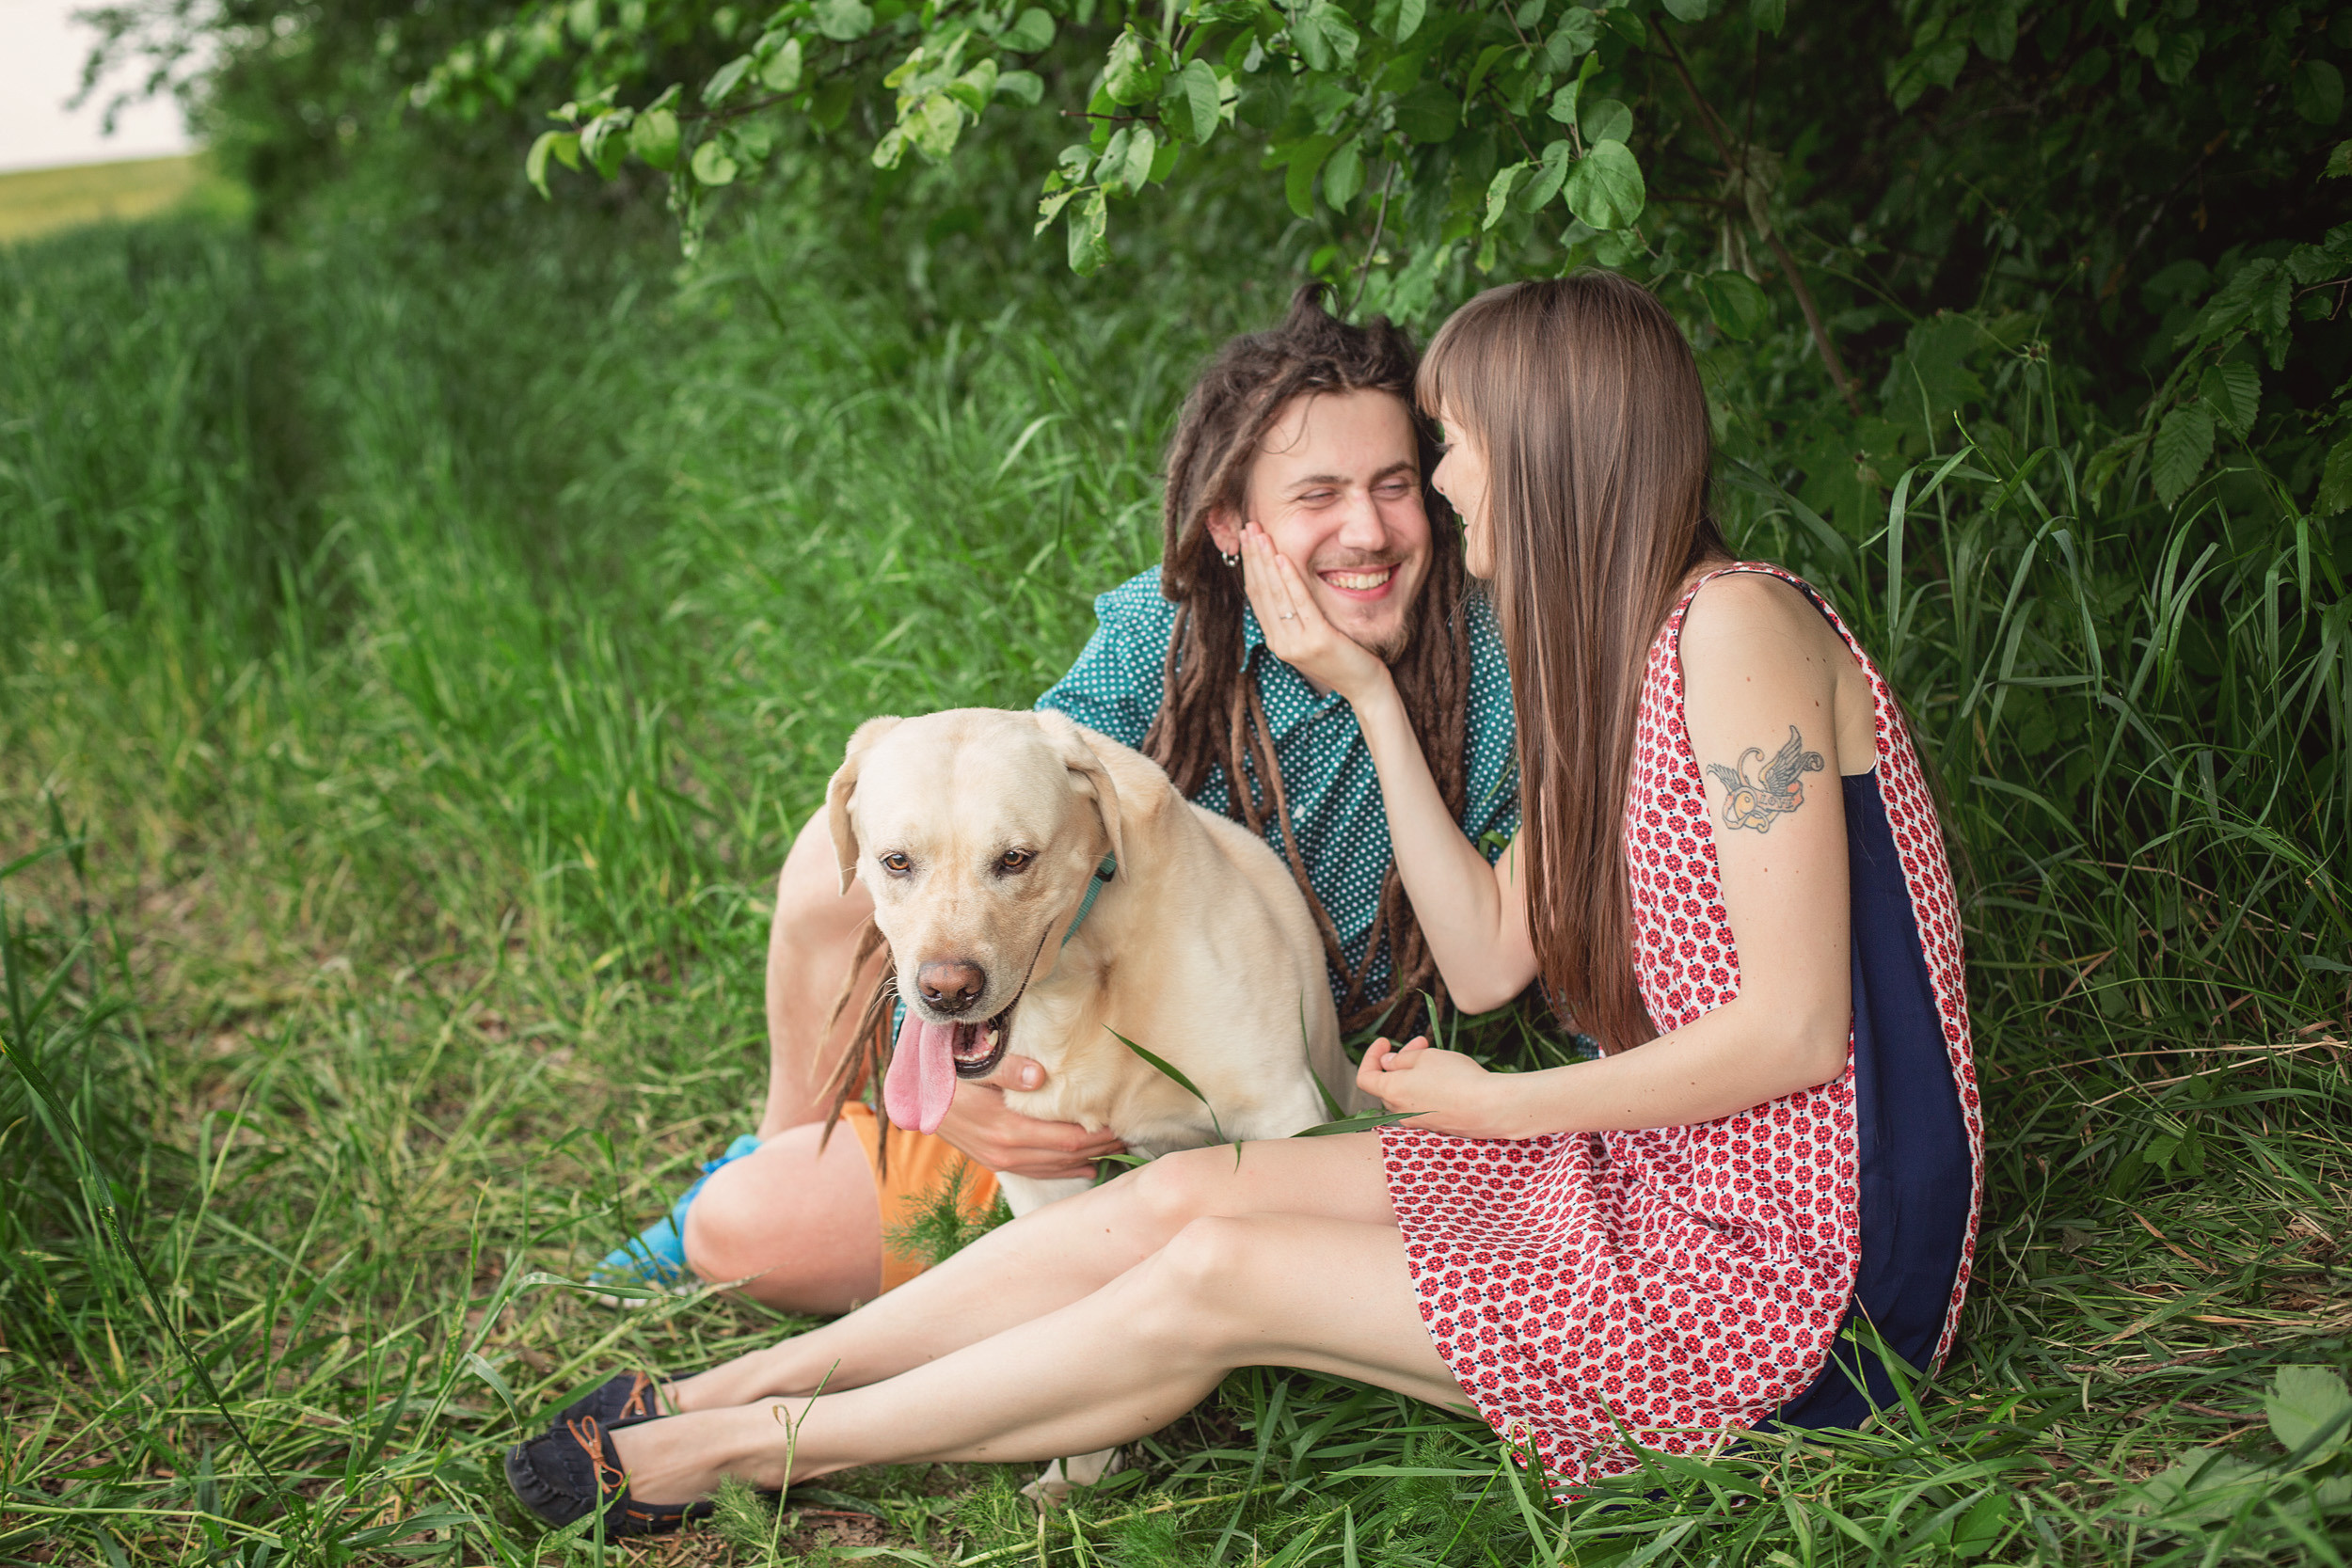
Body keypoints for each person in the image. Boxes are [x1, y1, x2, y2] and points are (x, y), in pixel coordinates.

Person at [506, 272, 1982, 1536]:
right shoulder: (1617, 670)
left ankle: (717, 1455)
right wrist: (1363, 695)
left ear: (1550, 455)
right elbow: (1482, 954)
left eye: (1443, 453)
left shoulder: (1736, 625)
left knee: (1213, 1262)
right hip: (1650, 1175)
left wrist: (1502, 1107)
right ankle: (713, 1386)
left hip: (1793, 1280)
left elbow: (1793, 1030)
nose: (1439, 493)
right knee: (1176, 1196)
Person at [597, 286, 1521, 1314]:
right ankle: (787, 1138)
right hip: (1071, 1069)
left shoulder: (1494, 668)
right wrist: (964, 1103)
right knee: (758, 1183)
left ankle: (1023, 1264)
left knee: (777, 1228)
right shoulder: (1158, 637)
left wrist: (1369, 691)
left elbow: (1518, 947)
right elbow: (994, 824)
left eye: (1394, 486)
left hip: (1278, 1082)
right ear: (1232, 521)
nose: (1366, 529)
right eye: (1317, 495)